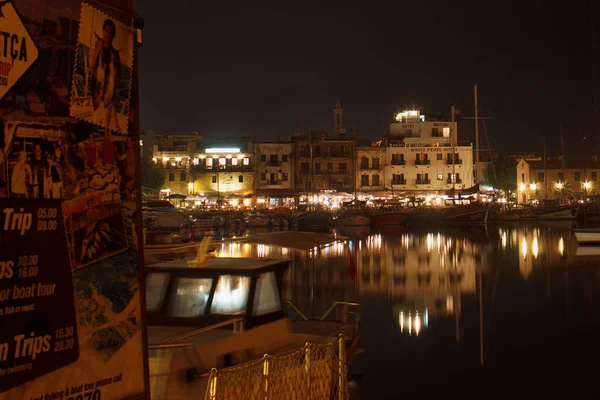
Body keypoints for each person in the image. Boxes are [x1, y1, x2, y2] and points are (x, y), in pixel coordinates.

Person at [89, 18, 121, 131]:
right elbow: (91, 64)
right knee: (96, 127)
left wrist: (115, 62)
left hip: (109, 100)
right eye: (107, 31)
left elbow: (119, 76)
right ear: (103, 31)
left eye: (111, 33)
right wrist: (98, 50)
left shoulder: (115, 54)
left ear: (113, 36)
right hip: (100, 95)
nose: (108, 35)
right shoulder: (97, 46)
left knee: (113, 129)